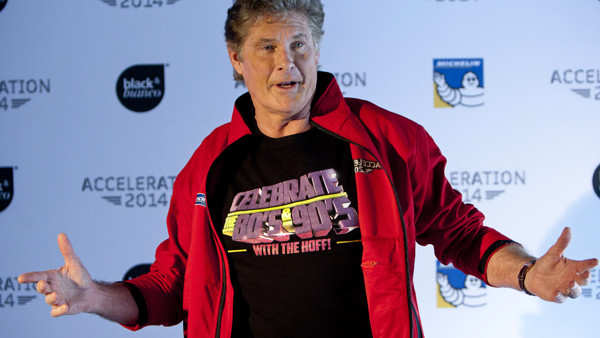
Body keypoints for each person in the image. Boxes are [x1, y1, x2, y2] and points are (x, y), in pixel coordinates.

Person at [18, 1, 598, 337]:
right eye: (267, 47)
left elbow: (458, 232)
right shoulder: (210, 165)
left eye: (299, 44)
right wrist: (95, 296)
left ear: (318, 51)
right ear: (237, 59)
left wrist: (527, 273)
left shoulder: (390, 139)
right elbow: (172, 288)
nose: (285, 64)